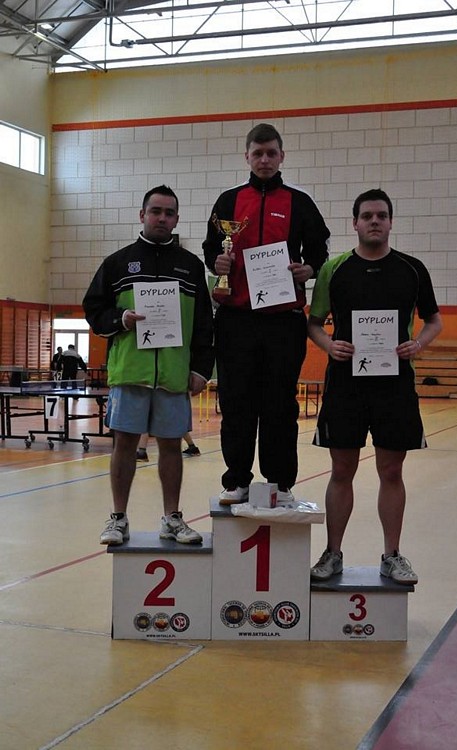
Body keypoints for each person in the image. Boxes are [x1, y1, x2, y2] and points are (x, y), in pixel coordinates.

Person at [308, 188, 443, 585]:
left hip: (394, 385)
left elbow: (434, 320)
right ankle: (333, 553)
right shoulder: (334, 270)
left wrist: (418, 344)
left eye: (381, 215)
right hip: (345, 385)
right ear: (354, 223)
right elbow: (313, 323)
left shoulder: (412, 269)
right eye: (367, 216)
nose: (374, 221)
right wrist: (329, 344)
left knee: (391, 471)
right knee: (341, 470)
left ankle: (392, 555)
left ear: (390, 222)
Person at [203, 122, 330, 505]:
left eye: (271, 153)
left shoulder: (299, 202)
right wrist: (217, 262)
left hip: (283, 321)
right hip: (236, 319)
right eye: (257, 153)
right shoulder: (228, 202)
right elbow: (211, 248)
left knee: (280, 404)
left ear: (281, 156)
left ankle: (280, 483)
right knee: (236, 402)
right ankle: (236, 480)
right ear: (247, 156)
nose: (264, 160)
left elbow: (319, 251)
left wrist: (308, 269)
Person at [83, 185, 214, 546]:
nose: (162, 218)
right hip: (130, 373)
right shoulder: (117, 263)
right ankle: (118, 518)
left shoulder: (190, 266)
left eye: (169, 213)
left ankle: (172, 518)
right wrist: (120, 319)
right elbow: (93, 309)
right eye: (155, 211)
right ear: (142, 215)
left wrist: (201, 369)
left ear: (177, 219)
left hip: (173, 375)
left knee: (172, 446)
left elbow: (204, 323)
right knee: (124, 444)